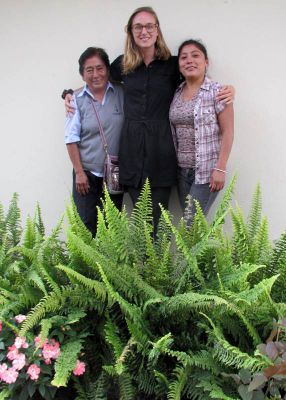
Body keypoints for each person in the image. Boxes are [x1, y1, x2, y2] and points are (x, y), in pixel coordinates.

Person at [64, 7, 234, 231]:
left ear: (157, 30)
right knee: (140, 224)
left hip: (162, 152)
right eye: (138, 26)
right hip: (131, 153)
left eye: (149, 26)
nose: (144, 31)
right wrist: (70, 93)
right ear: (131, 32)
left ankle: (155, 265)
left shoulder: (172, 65)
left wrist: (228, 89)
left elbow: (196, 77)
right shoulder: (122, 64)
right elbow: (97, 81)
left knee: (157, 222)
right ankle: (142, 265)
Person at [169, 39, 234, 224]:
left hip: (206, 172)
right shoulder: (177, 91)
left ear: (206, 62)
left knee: (191, 227)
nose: (189, 60)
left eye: (195, 55)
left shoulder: (218, 91)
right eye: (183, 57)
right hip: (182, 172)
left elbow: (228, 131)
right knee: (194, 229)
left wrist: (220, 168)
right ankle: (207, 254)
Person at [65, 47, 124, 237]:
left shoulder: (121, 93)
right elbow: (71, 139)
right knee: (86, 227)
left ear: (107, 69)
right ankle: (86, 268)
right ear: (82, 74)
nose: (95, 74)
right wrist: (79, 172)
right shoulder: (75, 100)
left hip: (114, 173)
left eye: (100, 68)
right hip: (86, 175)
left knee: (111, 229)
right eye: (89, 70)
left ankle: (107, 268)